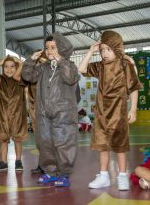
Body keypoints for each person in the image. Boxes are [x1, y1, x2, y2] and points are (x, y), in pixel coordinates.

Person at [78, 30, 141, 190]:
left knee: (120, 146)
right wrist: (91, 52)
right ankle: (104, 175)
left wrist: (132, 109)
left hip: (118, 114)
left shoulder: (124, 65)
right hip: (101, 115)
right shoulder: (100, 66)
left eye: (108, 49)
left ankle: (122, 175)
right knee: (102, 146)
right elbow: (81, 69)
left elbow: (133, 87)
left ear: (117, 49)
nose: (104, 53)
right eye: (102, 50)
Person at [22, 32, 80, 186]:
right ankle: (50, 171)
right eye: (47, 48)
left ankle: (64, 174)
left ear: (62, 49)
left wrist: (60, 61)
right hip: (43, 113)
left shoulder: (69, 66)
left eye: (53, 47)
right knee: (45, 142)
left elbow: (70, 78)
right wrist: (30, 61)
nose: (49, 51)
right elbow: (28, 77)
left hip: (64, 114)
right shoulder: (42, 68)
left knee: (64, 143)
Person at [0, 55, 28, 172]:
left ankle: (18, 161)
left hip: (17, 114)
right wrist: (0, 63)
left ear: (17, 67)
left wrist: (20, 62)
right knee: (3, 139)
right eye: (6, 67)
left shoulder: (20, 79)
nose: (9, 69)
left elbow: (18, 74)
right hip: (2, 115)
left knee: (17, 139)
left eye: (12, 66)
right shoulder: (0, 80)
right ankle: (3, 162)